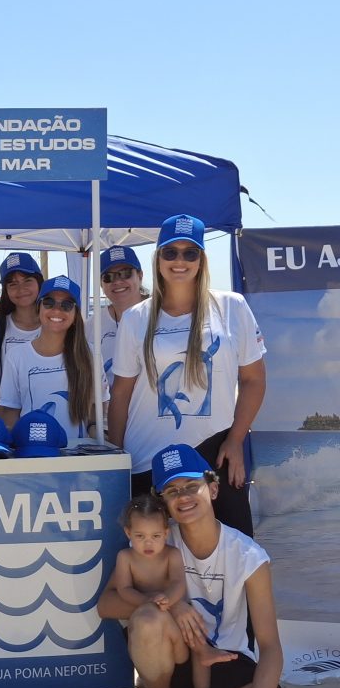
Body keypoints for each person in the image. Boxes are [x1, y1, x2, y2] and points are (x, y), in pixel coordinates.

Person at [98, 444, 300, 688]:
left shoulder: (248, 556)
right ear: (163, 503)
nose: (183, 496)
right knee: (149, 619)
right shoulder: (155, 541)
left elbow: (270, 647)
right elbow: (106, 605)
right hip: (176, 660)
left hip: (227, 661)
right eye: (172, 490)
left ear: (213, 488)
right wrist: (171, 605)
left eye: (192, 486)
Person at [108, 214, 266, 536]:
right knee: (153, 559)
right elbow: (121, 394)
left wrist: (236, 439)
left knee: (235, 550)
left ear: (201, 259)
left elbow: (254, 380)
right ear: (158, 258)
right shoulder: (135, 318)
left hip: (214, 454)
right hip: (146, 460)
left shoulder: (232, 307)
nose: (179, 261)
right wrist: (116, 462)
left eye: (189, 253)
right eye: (170, 252)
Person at [112, 493, 224, 688]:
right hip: (149, 619)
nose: (148, 543)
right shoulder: (125, 557)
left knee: (197, 638)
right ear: (128, 533)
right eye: (140, 536)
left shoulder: (171, 555)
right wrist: (146, 600)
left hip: (175, 619)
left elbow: (177, 584)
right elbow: (123, 589)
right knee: (147, 626)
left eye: (155, 536)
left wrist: (168, 601)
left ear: (165, 533)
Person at [0, 276, 104, 441]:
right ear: (38, 308)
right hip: (32, 450)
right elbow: (11, 414)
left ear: (75, 315)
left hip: (78, 453)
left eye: (67, 305)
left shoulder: (91, 354)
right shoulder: (16, 356)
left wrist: (96, 432)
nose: (56, 310)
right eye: (49, 302)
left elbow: (95, 410)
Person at [0, 252, 43, 416]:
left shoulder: (52, 325)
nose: (21, 289)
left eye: (27, 281)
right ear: (5, 290)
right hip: (4, 419)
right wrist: (6, 421)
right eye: (13, 284)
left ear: (39, 282)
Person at [88, 245, 146, 388]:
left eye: (126, 273)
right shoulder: (90, 327)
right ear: (101, 284)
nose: (118, 281)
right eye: (108, 277)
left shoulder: (161, 315)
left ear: (140, 275)